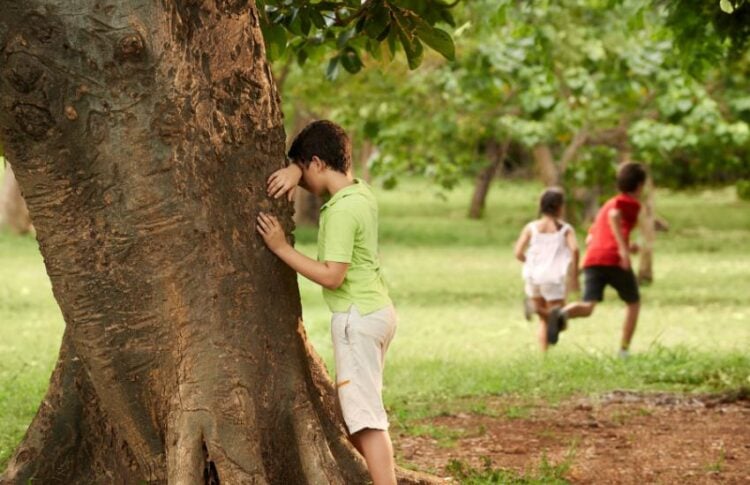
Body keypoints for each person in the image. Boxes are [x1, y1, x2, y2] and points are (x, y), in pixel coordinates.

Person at [256, 120, 397, 485]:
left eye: (302, 173)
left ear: (316, 162)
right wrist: (293, 166)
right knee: (352, 412)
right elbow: (316, 170)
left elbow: (333, 275)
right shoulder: (360, 193)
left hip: (356, 319)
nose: (301, 185)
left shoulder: (339, 211)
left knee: (365, 419)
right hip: (377, 311)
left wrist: (281, 248)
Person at [547, 162, 648, 358]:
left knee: (588, 307)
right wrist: (623, 251)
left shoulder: (607, 204)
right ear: (639, 185)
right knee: (633, 303)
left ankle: (562, 314)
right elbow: (614, 217)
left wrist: (627, 246)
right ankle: (624, 350)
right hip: (614, 259)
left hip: (593, 258)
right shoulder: (629, 203)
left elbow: (591, 237)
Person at [514, 187, 579, 351]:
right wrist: (574, 274)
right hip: (552, 277)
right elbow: (575, 249)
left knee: (546, 320)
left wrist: (530, 263)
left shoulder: (531, 227)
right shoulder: (565, 229)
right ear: (559, 207)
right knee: (560, 319)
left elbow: (518, 252)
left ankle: (544, 355)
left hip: (532, 275)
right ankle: (535, 309)